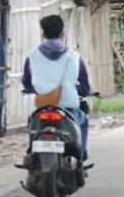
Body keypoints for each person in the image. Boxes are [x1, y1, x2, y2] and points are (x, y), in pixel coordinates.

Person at [22, 15, 92, 163]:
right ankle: (81, 157)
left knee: (33, 125)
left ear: (43, 34)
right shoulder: (74, 57)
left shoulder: (32, 56)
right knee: (83, 121)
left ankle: (32, 155)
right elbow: (84, 86)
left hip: (43, 106)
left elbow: (26, 82)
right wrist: (82, 91)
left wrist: (31, 88)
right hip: (68, 106)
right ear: (62, 33)